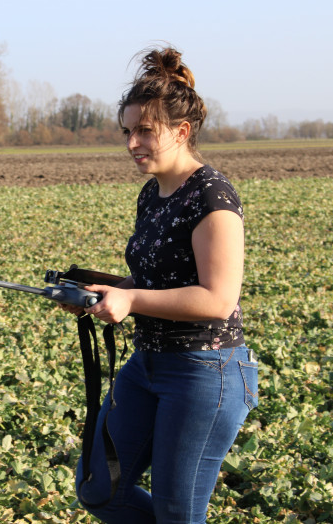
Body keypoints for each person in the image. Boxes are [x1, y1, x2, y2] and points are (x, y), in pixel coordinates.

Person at [60, 45, 258, 523]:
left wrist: (131, 298)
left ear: (181, 131)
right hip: (147, 364)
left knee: (177, 511)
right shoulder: (151, 194)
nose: (132, 143)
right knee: (99, 488)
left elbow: (216, 298)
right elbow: (152, 282)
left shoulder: (212, 195)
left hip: (204, 371)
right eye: (128, 132)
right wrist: (104, 293)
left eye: (145, 131)